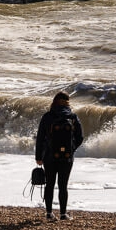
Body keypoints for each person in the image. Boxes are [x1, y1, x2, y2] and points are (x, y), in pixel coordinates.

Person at [35, 91, 83, 220]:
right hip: (67, 157)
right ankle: (63, 214)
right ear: (68, 102)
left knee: (49, 184)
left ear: (54, 101)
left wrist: (38, 157)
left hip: (49, 156)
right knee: (63, 185)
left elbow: (40, 138)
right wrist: (72, 149)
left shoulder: (47, 116)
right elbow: (80, 137)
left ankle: (49, 213)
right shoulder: (73, 117)